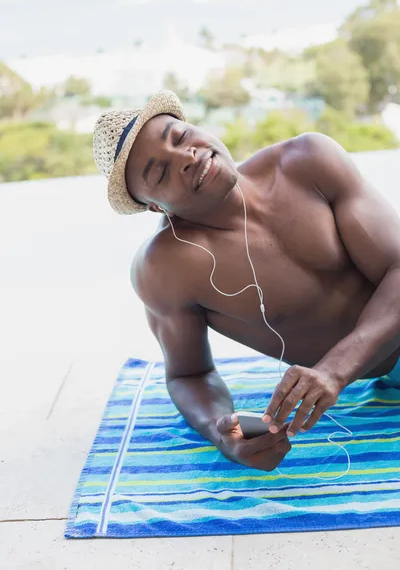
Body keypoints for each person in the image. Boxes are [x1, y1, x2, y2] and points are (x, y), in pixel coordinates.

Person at [93, 90, 400, 472]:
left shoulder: (308, 162)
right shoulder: (165, 268)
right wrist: (222, 432)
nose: (186, 158)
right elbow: (190, 374)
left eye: (182, 136)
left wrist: (332, 372)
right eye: (160, 172)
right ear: (154, 205)